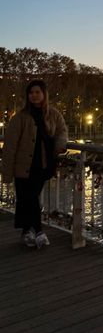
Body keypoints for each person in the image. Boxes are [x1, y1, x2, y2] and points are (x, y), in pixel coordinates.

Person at [2, 79, 68, 248]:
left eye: (37, 92)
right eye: (31, 93)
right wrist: (7, 172)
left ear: (44, 94)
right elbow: (10, 146)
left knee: (29, 199)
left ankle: (27, 231)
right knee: (29, 199)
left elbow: (62, 131)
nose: (34, 95)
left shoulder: (53, 114)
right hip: (23, 166)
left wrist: (59, 145)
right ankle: (37, 231)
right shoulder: (20, 117)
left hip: (43, 165)